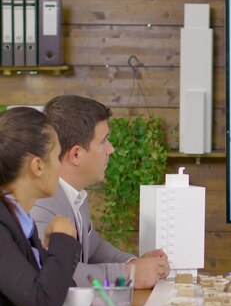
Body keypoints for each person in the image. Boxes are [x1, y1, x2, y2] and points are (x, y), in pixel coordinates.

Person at [31, 95, 170, 289]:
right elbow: (54, 271)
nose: (111, 149)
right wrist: (129, 276)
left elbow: (94, 250)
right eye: (103, 141)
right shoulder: (38, 202)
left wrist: (133, 264)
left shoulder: (75, 195)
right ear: (76, 154)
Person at [0, 107, 82, 306]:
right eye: (56, 157)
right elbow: (43, 304)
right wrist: (63, 237)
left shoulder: (19, 221)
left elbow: (59, 291)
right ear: (37, 166)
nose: (59, 167)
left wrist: (50, 250)